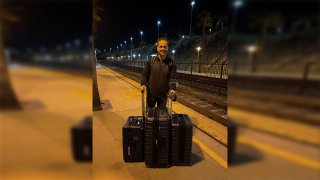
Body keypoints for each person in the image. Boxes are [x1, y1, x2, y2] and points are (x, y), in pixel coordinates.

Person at [140, 38, 177, 109]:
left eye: (165, 47)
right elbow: (145, 74)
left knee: (162, 117)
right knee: (150, 116)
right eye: (161, 46)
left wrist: (172, 88)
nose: (163, 48)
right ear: (157, 48)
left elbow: (173, 78)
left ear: (168, 48)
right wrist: (143, 84)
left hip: (163, 96)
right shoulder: (151, 60)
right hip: (151, 95)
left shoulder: (171, 63)